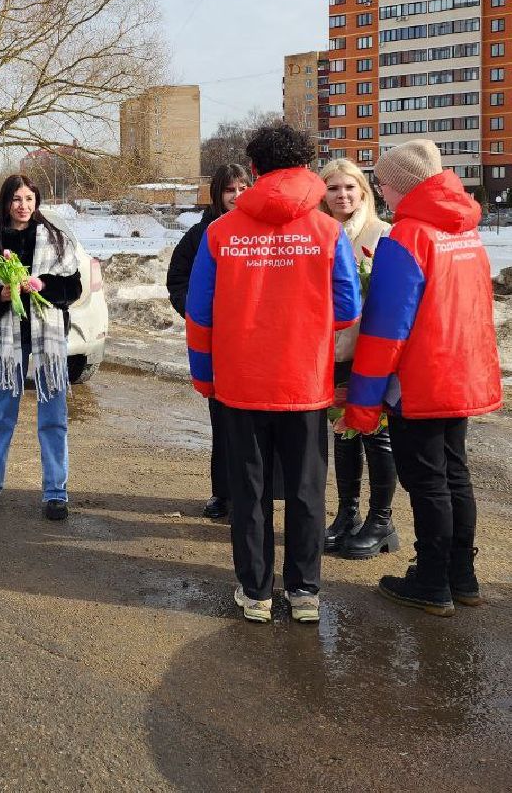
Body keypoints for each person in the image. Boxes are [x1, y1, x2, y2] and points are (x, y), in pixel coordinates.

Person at [186, 122, 361, 625]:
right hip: (305, 384)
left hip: (240, 386)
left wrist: (206, 378)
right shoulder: (327, 230)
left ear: (256, 168)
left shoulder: (220, 232)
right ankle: (304, 592)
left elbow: (201, 315)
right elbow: (347, 309)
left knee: (249, 491)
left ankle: (256, 591)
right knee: (307, 491)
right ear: (305, 167)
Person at [340, 139, 502, 618]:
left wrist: (364, 401)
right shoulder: (465, 231)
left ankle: (431, 580)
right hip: (462, 372)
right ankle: (461, 575)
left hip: (420, 380)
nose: (381, 192)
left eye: (384, 183)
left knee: (428, 481)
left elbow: (386, 330)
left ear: (405, 186)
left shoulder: (407, 237)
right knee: (456, 473)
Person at [0, 174, 82, 520]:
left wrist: (42, 285)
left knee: (53, 415)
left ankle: (55, 491)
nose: (23, 206)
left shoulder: (57, 239)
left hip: (49, 338)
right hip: (9, 339)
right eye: (17, 199)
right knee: (1, 411)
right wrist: (1, 295)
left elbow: (73, 288)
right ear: (6, 203)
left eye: (29, 199)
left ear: (37, 201)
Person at [318, 157, 399, 560]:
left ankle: (381, 520)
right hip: (333, 351)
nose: (342, 195)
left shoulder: (383, 234)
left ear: (363, 193)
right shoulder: (316, 232)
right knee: (343, 433)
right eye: (333, 188)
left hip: (371, 352)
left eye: (350, 188)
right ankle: (347, 514)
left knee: (375, 434)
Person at [167, 162, 250, 518]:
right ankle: (223, 493)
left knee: (252, 424)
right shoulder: (200, 235)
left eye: (243, 188)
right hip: (216, 343)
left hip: (252, 344)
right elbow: (178, 280)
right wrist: (199, 314)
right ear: (217, 194)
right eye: (230, 190)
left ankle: (252, 492)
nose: (237, 196)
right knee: (222, 419)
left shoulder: (258, 231)